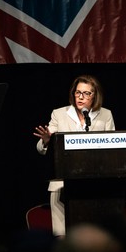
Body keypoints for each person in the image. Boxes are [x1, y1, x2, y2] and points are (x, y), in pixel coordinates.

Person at [33, 74, 116, 237]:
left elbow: (112, 149)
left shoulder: (106, 115)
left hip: (94, 185)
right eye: (78, 92)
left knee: (91, 237)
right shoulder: (59, 114)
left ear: (95, 95)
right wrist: (46, 141)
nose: (81, 97)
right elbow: (41, 149)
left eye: (86, 93)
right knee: (63, 237)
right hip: (62, 185)